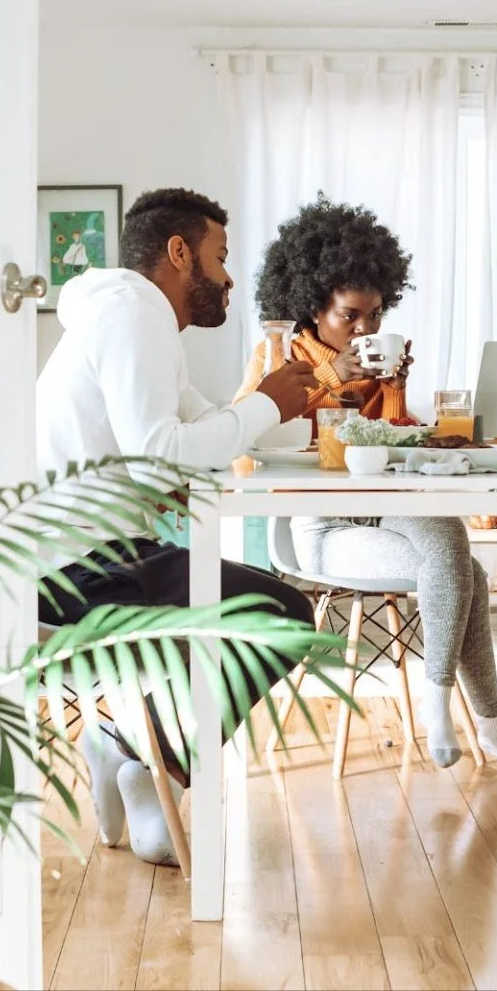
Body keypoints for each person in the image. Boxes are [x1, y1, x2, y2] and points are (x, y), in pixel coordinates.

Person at [36, 187, 318, 864]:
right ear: (179, 252)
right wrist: (265, 404)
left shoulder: (131, 316)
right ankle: (139, 759)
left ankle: (131, 752)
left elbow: (194, 428)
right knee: (283, 614)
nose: (226, 279)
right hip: (70, 572)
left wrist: (267, 407)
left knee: (266, 604)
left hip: (88, 553)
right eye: (220, 258)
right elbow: (163, 454)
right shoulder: (135, 315)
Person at [237, 196, 497, 771]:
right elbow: (247, 449)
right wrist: (327, 375)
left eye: (375, 315)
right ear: (312, 305)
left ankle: (440, 705)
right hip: (320, 526)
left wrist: (395, 388)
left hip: (384, 508)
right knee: (463, 569)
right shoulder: (277, 357)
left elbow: (388, 447)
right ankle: (483, 721)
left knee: (450, 541)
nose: (365, 328)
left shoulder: (375, 362)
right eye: (350, 315)